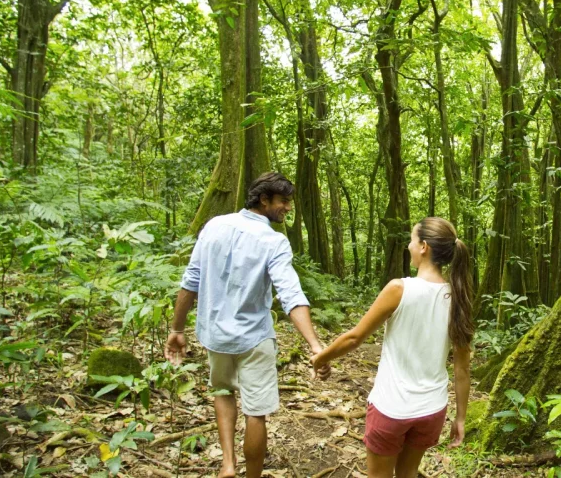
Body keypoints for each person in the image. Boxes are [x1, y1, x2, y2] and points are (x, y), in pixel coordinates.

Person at [166, 172, 327, 478]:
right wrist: (315, 346)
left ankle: (228, 464)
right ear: (263, 200)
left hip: (215, 335)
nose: (288, 208)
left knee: (223, 391)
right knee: (256, 412)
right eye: (283, 201)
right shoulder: (273, 241)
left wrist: (177, 330)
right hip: (254, 339)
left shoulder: (214, 226)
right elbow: (291, 294)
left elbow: (191, 281)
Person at [312, 217, 475, 478]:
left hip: (392, 407)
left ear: (423, 246)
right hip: (432, 410)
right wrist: (461, 418)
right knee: (408, 473)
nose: (408, 246)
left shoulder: (399, 288)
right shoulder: (458, 297)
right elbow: (462, 368)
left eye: (412, 240)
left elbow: (355, 338)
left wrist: (321, 357)